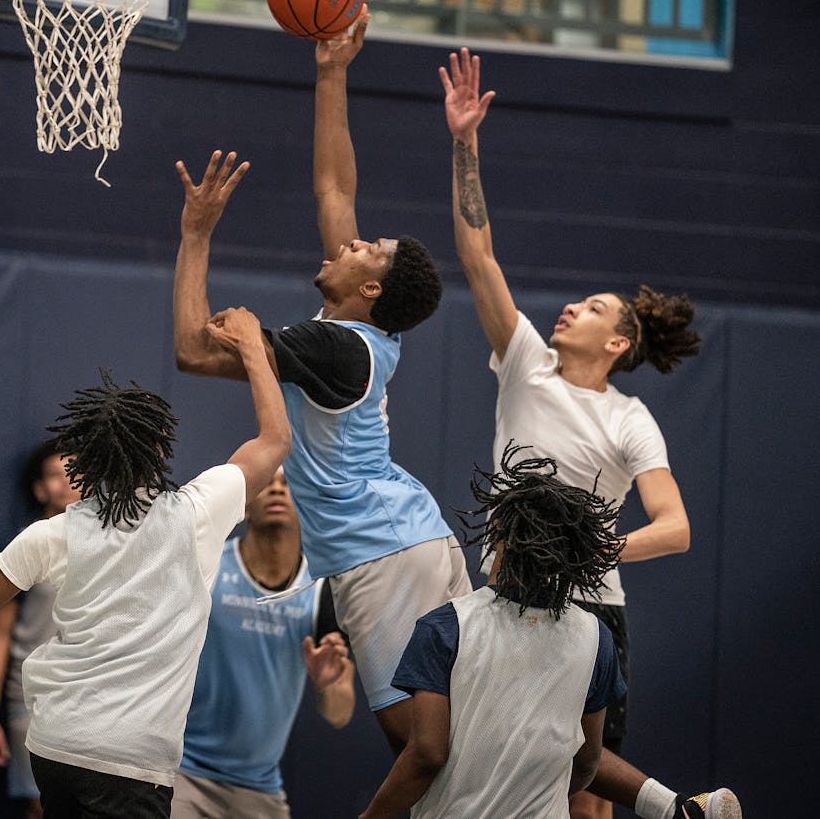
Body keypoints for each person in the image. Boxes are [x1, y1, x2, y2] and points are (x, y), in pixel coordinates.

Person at [441, 46, 740, 819]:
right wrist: (465, 141)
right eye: (579, 299)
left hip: (590, 607)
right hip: (510, 591)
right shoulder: (525, 363)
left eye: (596, 307)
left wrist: (596, 547)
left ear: (617, 344)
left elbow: (674, 527)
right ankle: (682, 808)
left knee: (582, 788)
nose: (573, 306)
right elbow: (477, 253)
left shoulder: (627, 417)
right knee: (490, 765)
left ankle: (677, 809)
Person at [172, 8, 470, 755]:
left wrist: (196, 235)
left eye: (369, 250)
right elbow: (335, 190)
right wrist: (332, 71)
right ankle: (665, 803)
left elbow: (191, 351)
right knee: (474, 725)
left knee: (419, 742)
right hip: (410, 535)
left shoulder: (333, 346)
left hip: (378, 554)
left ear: (369, 288)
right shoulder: (364, 329)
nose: (355, 240)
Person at [0, 307, 290, 819]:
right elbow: (276, 439)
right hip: (131, 760)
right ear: (161, 443)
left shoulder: (52, 533)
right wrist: (254, 348)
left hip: (55, 745)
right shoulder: (199, 511)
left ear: (89, 461)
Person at [359, 446, 627, 819]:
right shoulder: (596, 638)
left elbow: (427, 755)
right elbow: (586, 763)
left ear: (499, 534)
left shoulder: (445, 627)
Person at [172, 466, 355, 819]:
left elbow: (340, 713)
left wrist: (328, 684)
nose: (275, 489)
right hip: (184, 772)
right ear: (243, 506)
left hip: (260, 787)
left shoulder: (321, 591)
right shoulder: (207, 564)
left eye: (289, 483)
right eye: (266, 482)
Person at [0, 439, 81, 819]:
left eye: (74, 472)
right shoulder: (25, 546)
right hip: (32, 699)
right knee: (40, 807)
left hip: (89, 700)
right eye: (56, 475)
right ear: (39, 489)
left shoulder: (108, 544)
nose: (67, 482)